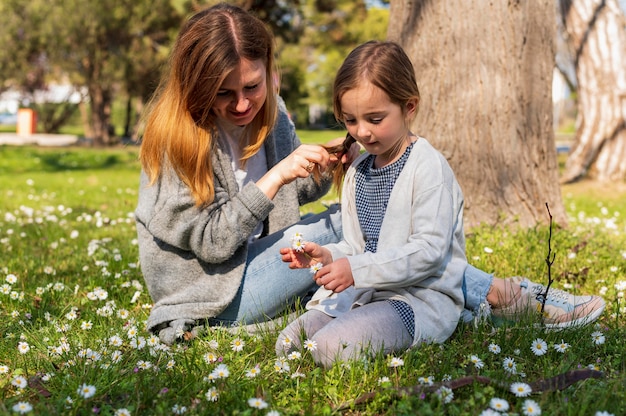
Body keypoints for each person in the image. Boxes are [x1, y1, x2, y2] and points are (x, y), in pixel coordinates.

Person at [135, 3, 604, 346]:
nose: (241, 104)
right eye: (224, 93)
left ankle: (473, 296)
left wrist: (325, 165)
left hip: (269, 266)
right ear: (197, 85)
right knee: (349, 224)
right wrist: (275, 177)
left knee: (353, 219)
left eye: (252, 86)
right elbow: (215, 243)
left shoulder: (269, 113)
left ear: (267, 72)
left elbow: (293, 194)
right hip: (214, 295)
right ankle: (505, 294)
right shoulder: (174, 138)